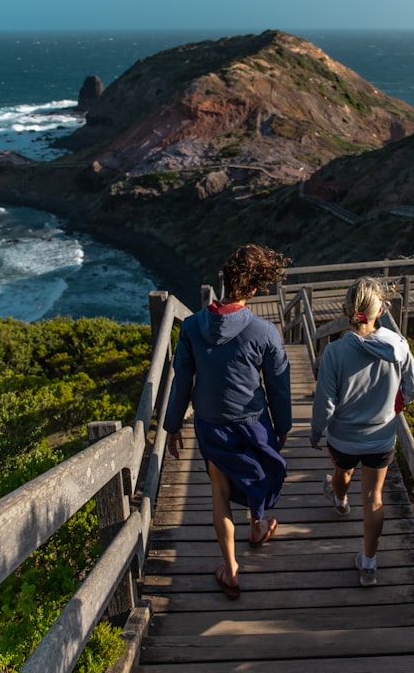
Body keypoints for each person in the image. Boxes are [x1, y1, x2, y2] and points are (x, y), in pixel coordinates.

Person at [164, 243, 292, 600]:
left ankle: (231, 570)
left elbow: (182, 380)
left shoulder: (191, 327)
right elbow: (278, 385)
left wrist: (172, 425)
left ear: (225, 279)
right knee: (256, 474)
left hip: (210, 423)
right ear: (253, 288)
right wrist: (283, 426)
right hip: (253, 422)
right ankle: (258, 527)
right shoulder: (265, 332)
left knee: (219, 492)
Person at [310, 276, 414, 587]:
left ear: (347, 311)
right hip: (381, 436)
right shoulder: (398, 346)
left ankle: (340, 501)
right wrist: (394, 405)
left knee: (342, 471)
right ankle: (369, 563)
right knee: (374, 498)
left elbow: (326, 402)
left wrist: (316, 430)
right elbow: (413, 388)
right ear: (380, 310)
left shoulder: (334, 352)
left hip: (344, 436)